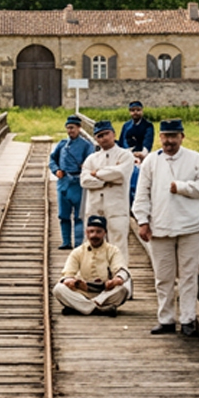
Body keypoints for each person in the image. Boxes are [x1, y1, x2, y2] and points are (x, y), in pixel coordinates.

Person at [133, 119, 199, 337]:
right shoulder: (151, 161)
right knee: (163, 277)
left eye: (173, 136)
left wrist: (182, 187)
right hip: (160, 227)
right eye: (165, 136)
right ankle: (166, 319)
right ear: (160, 137)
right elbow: (142, 193)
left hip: (190, 227)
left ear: (182, 137)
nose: (169, 141)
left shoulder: (195, 158)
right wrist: (142, 221)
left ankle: (188, 319)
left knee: (188, 276)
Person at [53, 215, 130, 317]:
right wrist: (73, 282)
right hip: (83, 291)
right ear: (86, 232)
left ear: (105, 233)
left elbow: (121, 269)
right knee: (58, 289)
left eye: (99, 232)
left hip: (105, 292)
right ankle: (99, 310)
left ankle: (80, 308)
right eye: (91, 231)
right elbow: (67, 273)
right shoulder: (78, 251)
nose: (95, 235)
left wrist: (117, 279)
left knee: (122, 290)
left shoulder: (113, 250)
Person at [79, 120, 134, 251]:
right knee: (93, 245)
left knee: (118, 245)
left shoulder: (125, 155)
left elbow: (120, 174)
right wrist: (106, 180)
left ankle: (119, 271)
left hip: (117, 208)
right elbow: (84, 180)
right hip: (95, 207)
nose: (103, 138)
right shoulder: (91, 158)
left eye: (106, 134)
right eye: (99, 136)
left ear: (114, 134)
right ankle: (96, 272)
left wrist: (96, 173)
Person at [48, 114, 94, 249]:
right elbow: (52, 159)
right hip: (63, 182)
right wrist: (56, 170)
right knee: (63, 215)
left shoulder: (87, 145)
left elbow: (91, 161)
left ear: (79, 128)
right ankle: (66, 241)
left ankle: (78, 244)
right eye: (68, 128)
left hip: (78, 183)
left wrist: (84, 167)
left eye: (73, 128)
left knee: (79, 215)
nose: (70, 131)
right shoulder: (62, 144)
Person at [121, 101, 154, 205]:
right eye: (133, 110)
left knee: (138, 181)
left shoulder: (147, 125)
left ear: (142, 111)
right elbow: (122, 141)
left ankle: (138, 204)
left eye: (138, 110)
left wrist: (142, 153)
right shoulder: (126, 126)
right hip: (127, 156)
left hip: (141, 158)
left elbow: (148, 140)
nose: (135, 113)